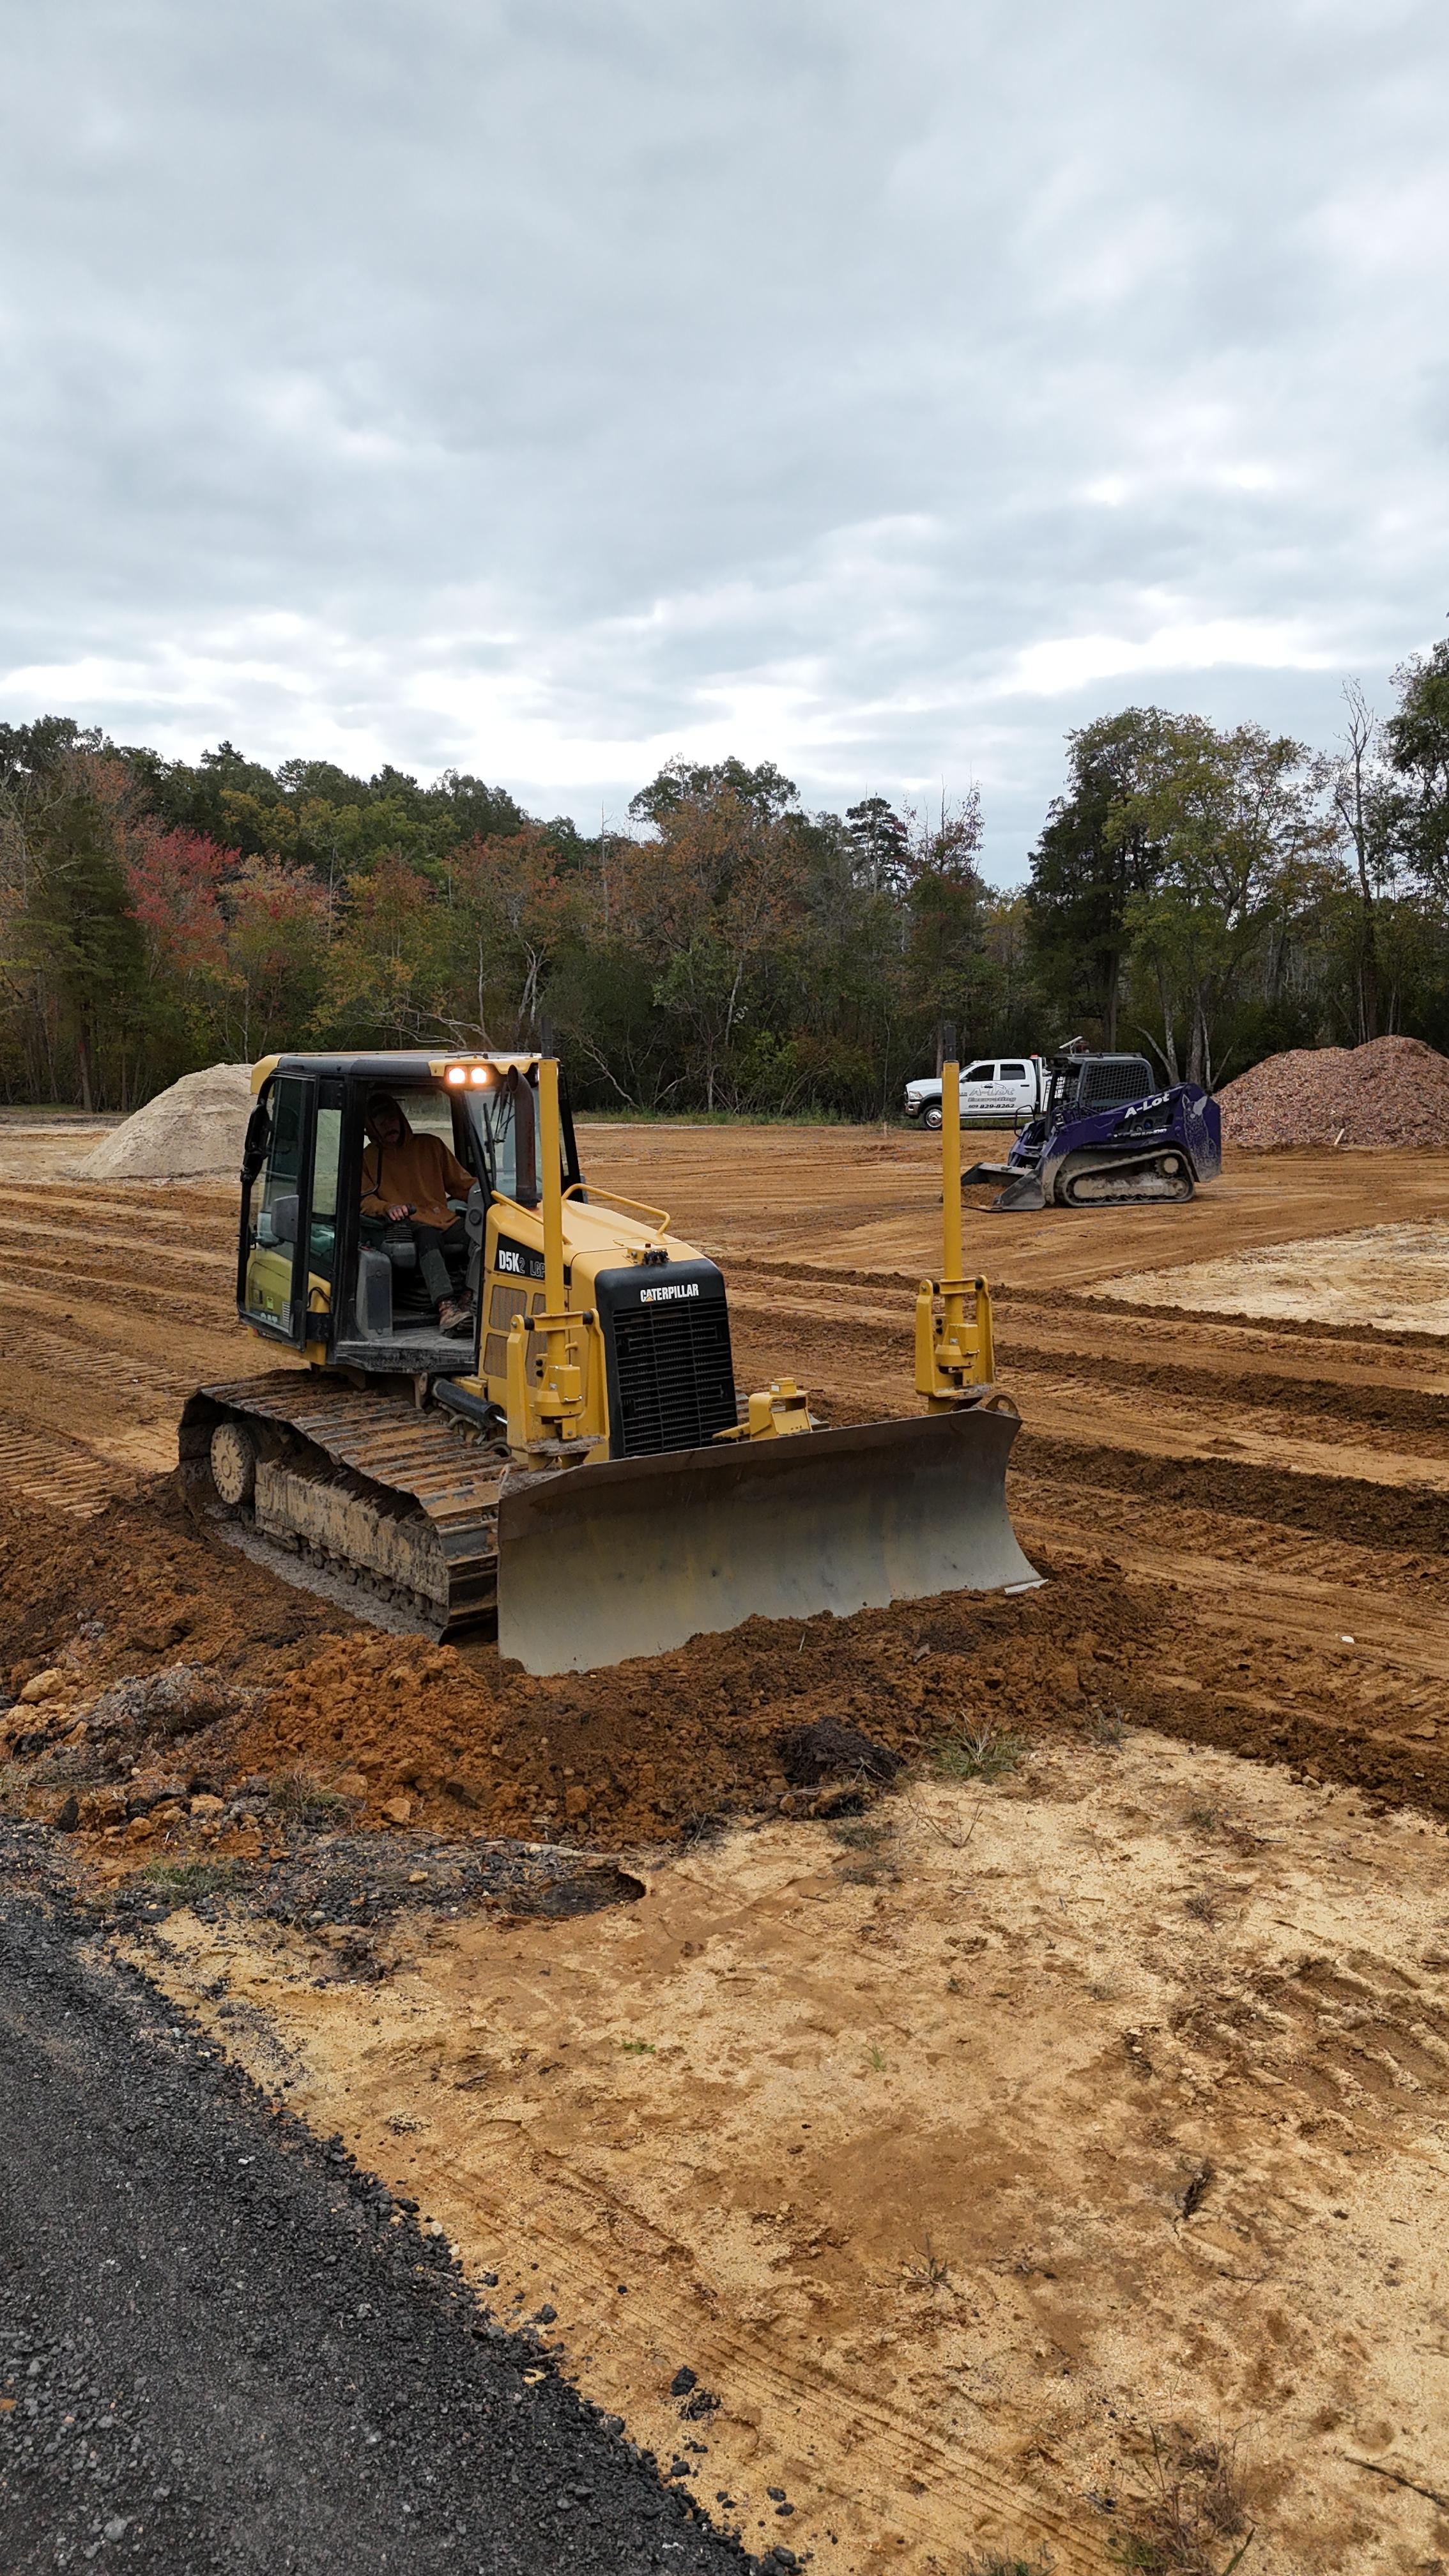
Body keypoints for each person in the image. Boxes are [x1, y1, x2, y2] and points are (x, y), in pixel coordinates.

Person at [360, 1091, 475, 1335]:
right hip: (406, 1224)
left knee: (482, 1234)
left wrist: (489, 1194)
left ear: (400, 1118)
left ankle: (470, 1298)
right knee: (427, 1236)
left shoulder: (430, 1145)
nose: (388, 1125)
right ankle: (447, 1308)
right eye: (380, 1122)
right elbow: (364, 1200)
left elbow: (461, 1184)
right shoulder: (368, 1158)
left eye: (391, 1119)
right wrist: (387, 1207)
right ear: (371, 1129)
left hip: (441, 1217)